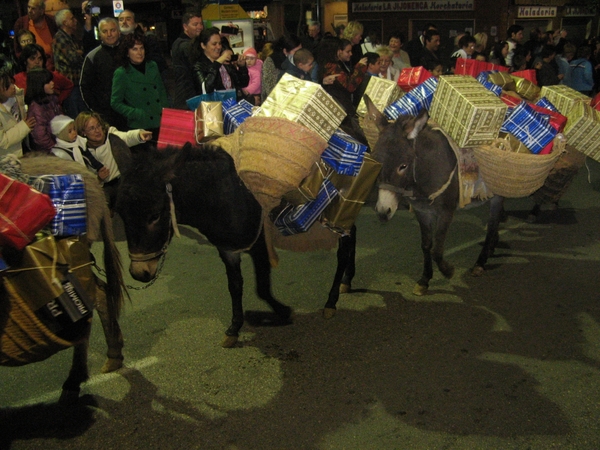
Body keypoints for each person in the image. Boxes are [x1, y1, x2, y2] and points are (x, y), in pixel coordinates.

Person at [73, 111, 151, 208]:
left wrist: (139, 134)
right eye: (92, 128)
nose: (97, 130)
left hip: (122, 182)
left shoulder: (111, 135)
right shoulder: (80, 151)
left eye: (98, 126)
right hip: (103, 189)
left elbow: (126, 137)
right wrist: (99, 179)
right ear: (83, 132)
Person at [110, 33, 168, 135]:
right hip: (139, 125)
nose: (140, 52)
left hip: (159, 120)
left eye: (141, 48)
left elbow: (161, 90)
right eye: (135, 49)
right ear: (127, 53)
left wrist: (164, 109)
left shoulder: (152, 66)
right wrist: (135, 113)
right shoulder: (122, 73)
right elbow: (115, 102)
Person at [317, 37, 367, 142]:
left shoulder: (330, 64)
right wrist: (360, 67)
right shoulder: (331, 66)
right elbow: (350, 85)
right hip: (340, 108)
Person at [80, 17, 125, 129]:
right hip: (106, 113)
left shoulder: (129, 51)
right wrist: (97, 110)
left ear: (119, 32)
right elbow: (85, 86)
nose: (109, 34)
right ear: (99, 34)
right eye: (105, 31)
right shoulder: (92, 56)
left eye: (113, 30)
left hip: (131, 110)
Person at [190, 27, 249, 102]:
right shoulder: (198, 66)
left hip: (231, 106)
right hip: (213, 109)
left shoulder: (225, 63)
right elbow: (206, 90)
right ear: (203, 45)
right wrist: (217, 63)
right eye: (214, 44)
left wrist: (242, 67)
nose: (218, 47)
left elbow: (243, 83)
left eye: (220, 43)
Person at [52, 8, 86, 118]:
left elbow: (82, 51)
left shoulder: (72, 37)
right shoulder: (60, 37)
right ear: (64, 22)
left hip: (77, 84)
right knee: (75, 116)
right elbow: (74, 59)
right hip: (69, 85)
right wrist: (79, 53)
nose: (75, 20)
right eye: (72, 18)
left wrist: (79, 52)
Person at [50, 114, 105, 178]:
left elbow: (89, 157)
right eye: (70, 131)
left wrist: (100, 167)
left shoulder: (80, 141)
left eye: (74, 129)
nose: (74, 132)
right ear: (62, 135)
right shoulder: (59, 153)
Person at [171, 12, 204, 109]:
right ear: (185, 27)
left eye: (201, 23)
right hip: (188, 97)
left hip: (185, 95)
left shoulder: (180, 42)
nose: (200, 27)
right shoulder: (186, 45)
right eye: (195, 24)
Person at [13, 0, 58, 71]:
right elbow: (17, 50)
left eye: (33, 8)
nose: (29, 11)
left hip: (52, 67)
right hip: (31, 69)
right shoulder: (21, 23)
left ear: (42, 10)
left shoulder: (52, 21)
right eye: (28, 7)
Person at [0, 68, 35, 157]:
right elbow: (2, 141)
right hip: (8, 157)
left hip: (24, 148)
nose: (13, 87)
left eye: (12, 82)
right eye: (7, 85)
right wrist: (24, 127)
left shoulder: (17, 96)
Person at [25, 67, 61, 152]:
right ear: (39, 85)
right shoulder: (36, 108)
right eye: (48, 82)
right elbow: (40, 136)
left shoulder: (52, 99)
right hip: (48, 151)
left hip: (58, 143)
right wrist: (55, 148)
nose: (52, 84)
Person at [261, 35, 301, 101]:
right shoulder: (271, 62)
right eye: (296, 51)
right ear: (285, 51)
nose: (300, 54)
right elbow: (270, 89)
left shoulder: (299, 60)